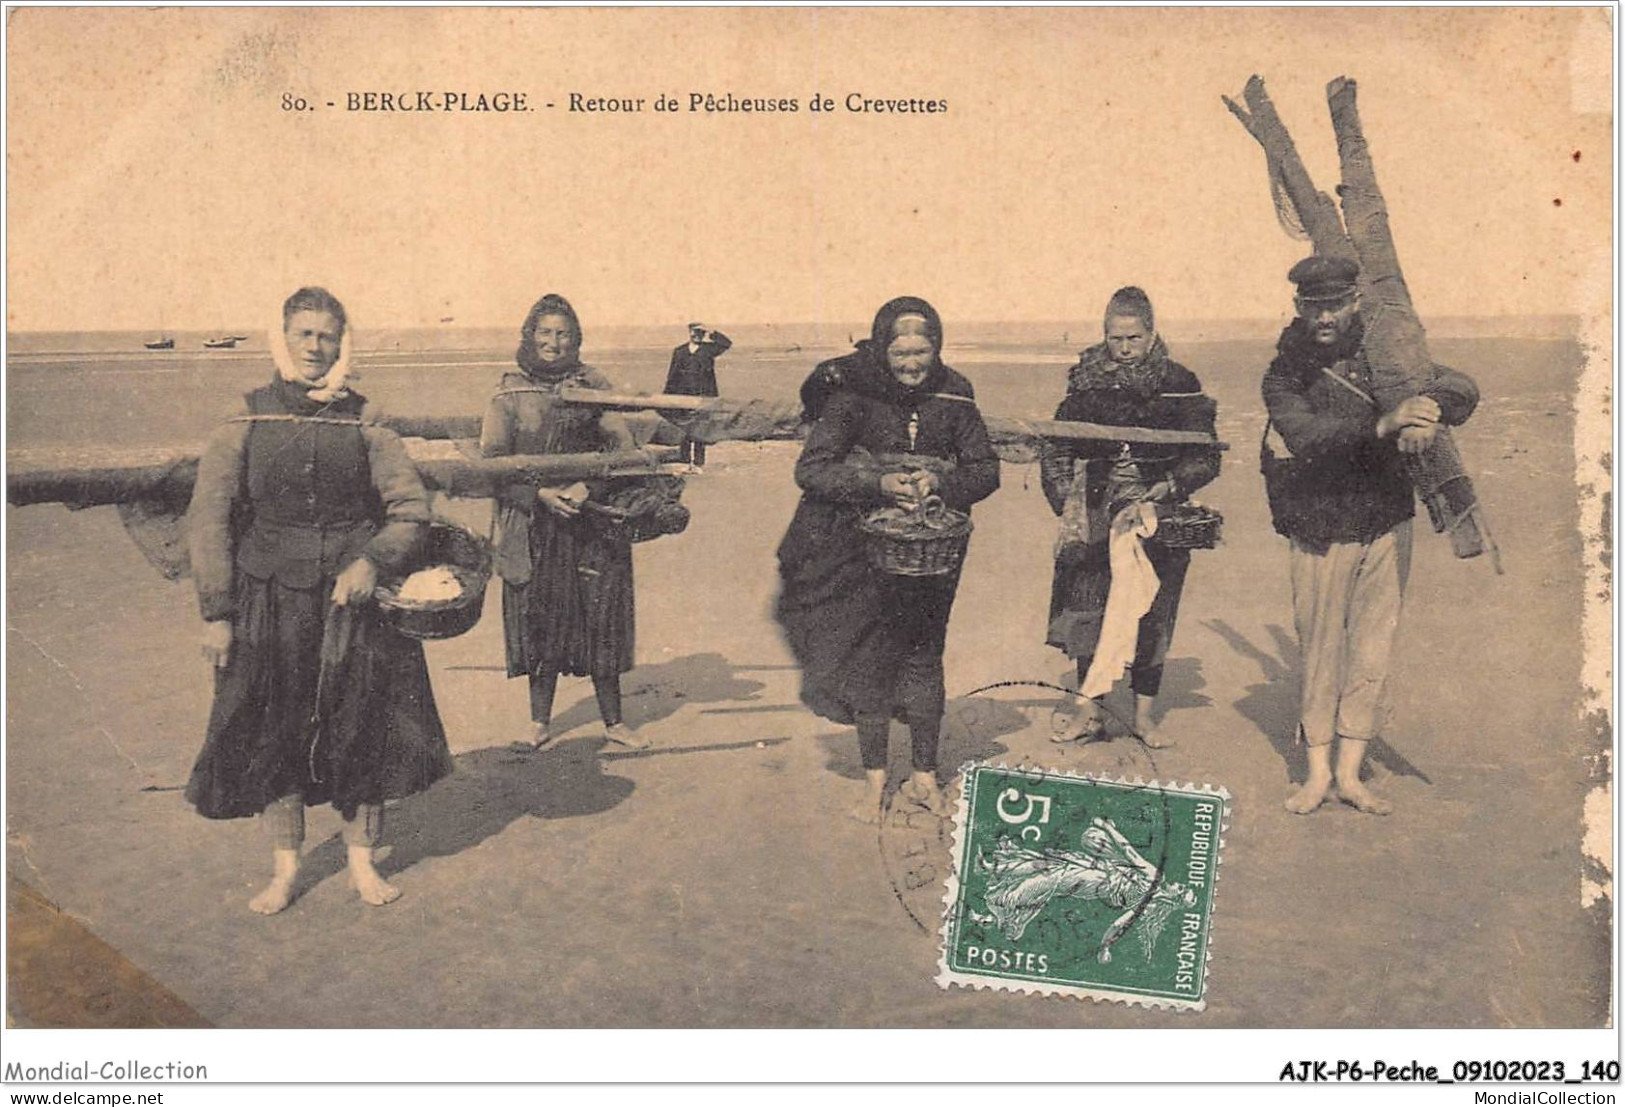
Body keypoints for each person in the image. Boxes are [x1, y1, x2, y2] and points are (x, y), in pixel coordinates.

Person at [185, 286, 453, 914]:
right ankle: (285, 872)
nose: (315, 346)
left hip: (356, 607)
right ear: (282, 338)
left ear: (342, 342)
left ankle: (363, 864)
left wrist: (371, 561)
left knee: (363, 727)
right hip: (269, 602)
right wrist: (217, 614)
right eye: (303, 334)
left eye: (327, 335)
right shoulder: (245, 416)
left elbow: (410, 511)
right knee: (277, 730)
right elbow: (210, 518)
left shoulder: (368, 420)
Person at [1262, 255, 1479, 815]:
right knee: (1319, 648)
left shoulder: (1384, 355)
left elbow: (1463, 387)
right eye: (1314, 306)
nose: (1325, 316)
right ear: (1298, 309)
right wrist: (1386, 422)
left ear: (1356, 301)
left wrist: (1430, 408)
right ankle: (1315, 777)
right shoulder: (1286, 371)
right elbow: (1306, 434)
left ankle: (1351, 776)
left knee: (1371, 650)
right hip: (1319, 523)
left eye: (1335, 303)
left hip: (1385, 517)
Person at [775, 296, 1000, 823]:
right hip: (862, 547)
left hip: (932, 547)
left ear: (937, 347)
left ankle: (925, 777)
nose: (912, 364)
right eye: (901, 352)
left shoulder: (955, 392)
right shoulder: (853, 393)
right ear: (882, 348)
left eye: (922, 351)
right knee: (870, 656)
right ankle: (875, 781)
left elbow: (986, 470)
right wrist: (878, 483)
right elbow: (813, 469)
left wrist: (939, 480)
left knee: (924, 653)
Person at [1039, 288, 1220, 748]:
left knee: (1154, 613)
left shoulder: (1180, 382)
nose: (1123, 348)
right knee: (1088, 608)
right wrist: (1066, 500)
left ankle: (1143, 717)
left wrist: (1171, 487)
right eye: (1114, 338)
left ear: (1152, 333)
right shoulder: (1086, 382)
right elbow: (1058, 443)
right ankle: (1090, 714)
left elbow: (1206, 456)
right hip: (1098, 511)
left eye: (1133, 338)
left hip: (1158, 512)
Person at [482, 294, 648, 752]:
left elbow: (623, 449)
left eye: (563, 334)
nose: (553, 342)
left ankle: (614, 723)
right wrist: (539, 494)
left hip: (591, 521)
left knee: (602, 620)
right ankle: (539, 722)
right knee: (542, 622)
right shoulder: (509, 392)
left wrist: (586, 489)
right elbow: (494, 462)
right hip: (536, 525)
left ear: (576, 339)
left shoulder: (594, 385)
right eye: (545, 333)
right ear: (530, 337)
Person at [663, 322, 733, 471]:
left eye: (701, 332)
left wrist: (712, 332)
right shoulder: (679, 351)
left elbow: (726, 343)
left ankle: (698, 463)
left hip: (703, 396)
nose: (697, 335)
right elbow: (672, 374)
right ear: (689, 332)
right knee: (684, 428)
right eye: (695, 332)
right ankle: (684, 460)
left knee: (700, 429)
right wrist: (667, 396)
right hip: (682, 396)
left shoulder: (709, 350)